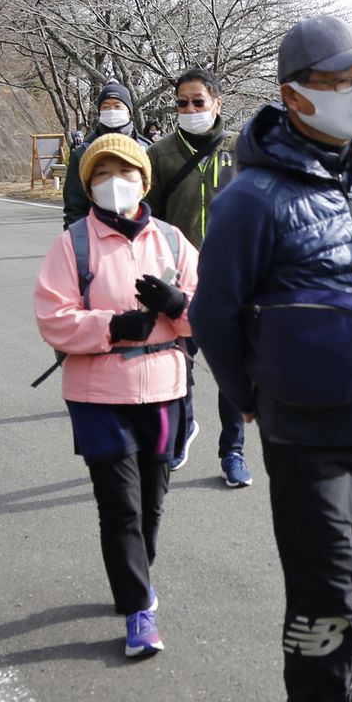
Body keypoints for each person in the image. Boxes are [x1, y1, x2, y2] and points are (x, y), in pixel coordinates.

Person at [189, 15, 352, 702]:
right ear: (293, 95)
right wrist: (250, 396)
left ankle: (347, 688)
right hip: (307, 432)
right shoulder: (251, 198)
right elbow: (212, 312)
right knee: (326, 593)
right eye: (336, 83)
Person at [34, 133, 199, 659]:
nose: (113, 183)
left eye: (124, 172)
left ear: (143, 180)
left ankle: (135, 577)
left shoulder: (173, 241)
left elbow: (213, 311)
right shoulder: (73, 244)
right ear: (88, 184)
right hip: (97, 393)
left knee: (152, 504)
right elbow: (52, 318)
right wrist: (113, 325)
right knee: (121, 508)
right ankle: (138, 611)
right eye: (100, 174)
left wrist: (179, 304)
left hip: (166, 389)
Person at [144, 68, 249, 487]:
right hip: (178, 284)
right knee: (178, 367)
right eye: (182, 103)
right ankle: (184, 427)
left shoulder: (241, 151)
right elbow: (146, 221)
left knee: (232, 375)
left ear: (217, 103)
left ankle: (233, 453)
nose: (189, 110)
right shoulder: (160, 154)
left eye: (198, 102)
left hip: (231, 282)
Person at [62, 80, 153, 227]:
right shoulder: (83, 152)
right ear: (99, 112)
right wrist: (77, 240)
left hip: (141, 233)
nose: (112, 111)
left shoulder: (147, 149)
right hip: (96, 234)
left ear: (129, 111)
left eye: (117, 106)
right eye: (106, 107)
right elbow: (74, 207)